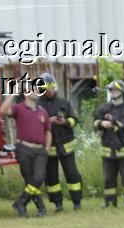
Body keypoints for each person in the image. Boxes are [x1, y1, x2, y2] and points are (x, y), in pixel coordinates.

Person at [34, 73, 83, 212]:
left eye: (51, 88)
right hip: (49, 148)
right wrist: (49, 121)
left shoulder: (64, 102)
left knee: (72, 174)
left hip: (66, 146)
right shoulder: (38, 105)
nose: (49, 91)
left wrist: (65, 121)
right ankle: (58, 204)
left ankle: (77, 202)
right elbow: (34, 125)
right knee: (51, 178)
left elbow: (75, 120)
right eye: (46, 88)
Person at [1, 85, 51, 218]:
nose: (37, 92)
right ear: (25, 93)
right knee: (29, 180)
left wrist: (46, 149)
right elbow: (3, 110)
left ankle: (21, 202)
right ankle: (40, 208)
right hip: (24, 149)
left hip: (40, 150)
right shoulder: (18, 108)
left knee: (38, 177)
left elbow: (48, 132)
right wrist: (13, 94)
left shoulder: (43, 112)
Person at [93, 80, 124, 207]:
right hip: (107, 149)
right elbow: (95, 121)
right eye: (111, 90)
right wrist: (102, 123)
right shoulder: (104, 108)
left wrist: (120, 125)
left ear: (122, 92)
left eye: (115, 90)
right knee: (108, 177)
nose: (112, 92)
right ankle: (109, 201)